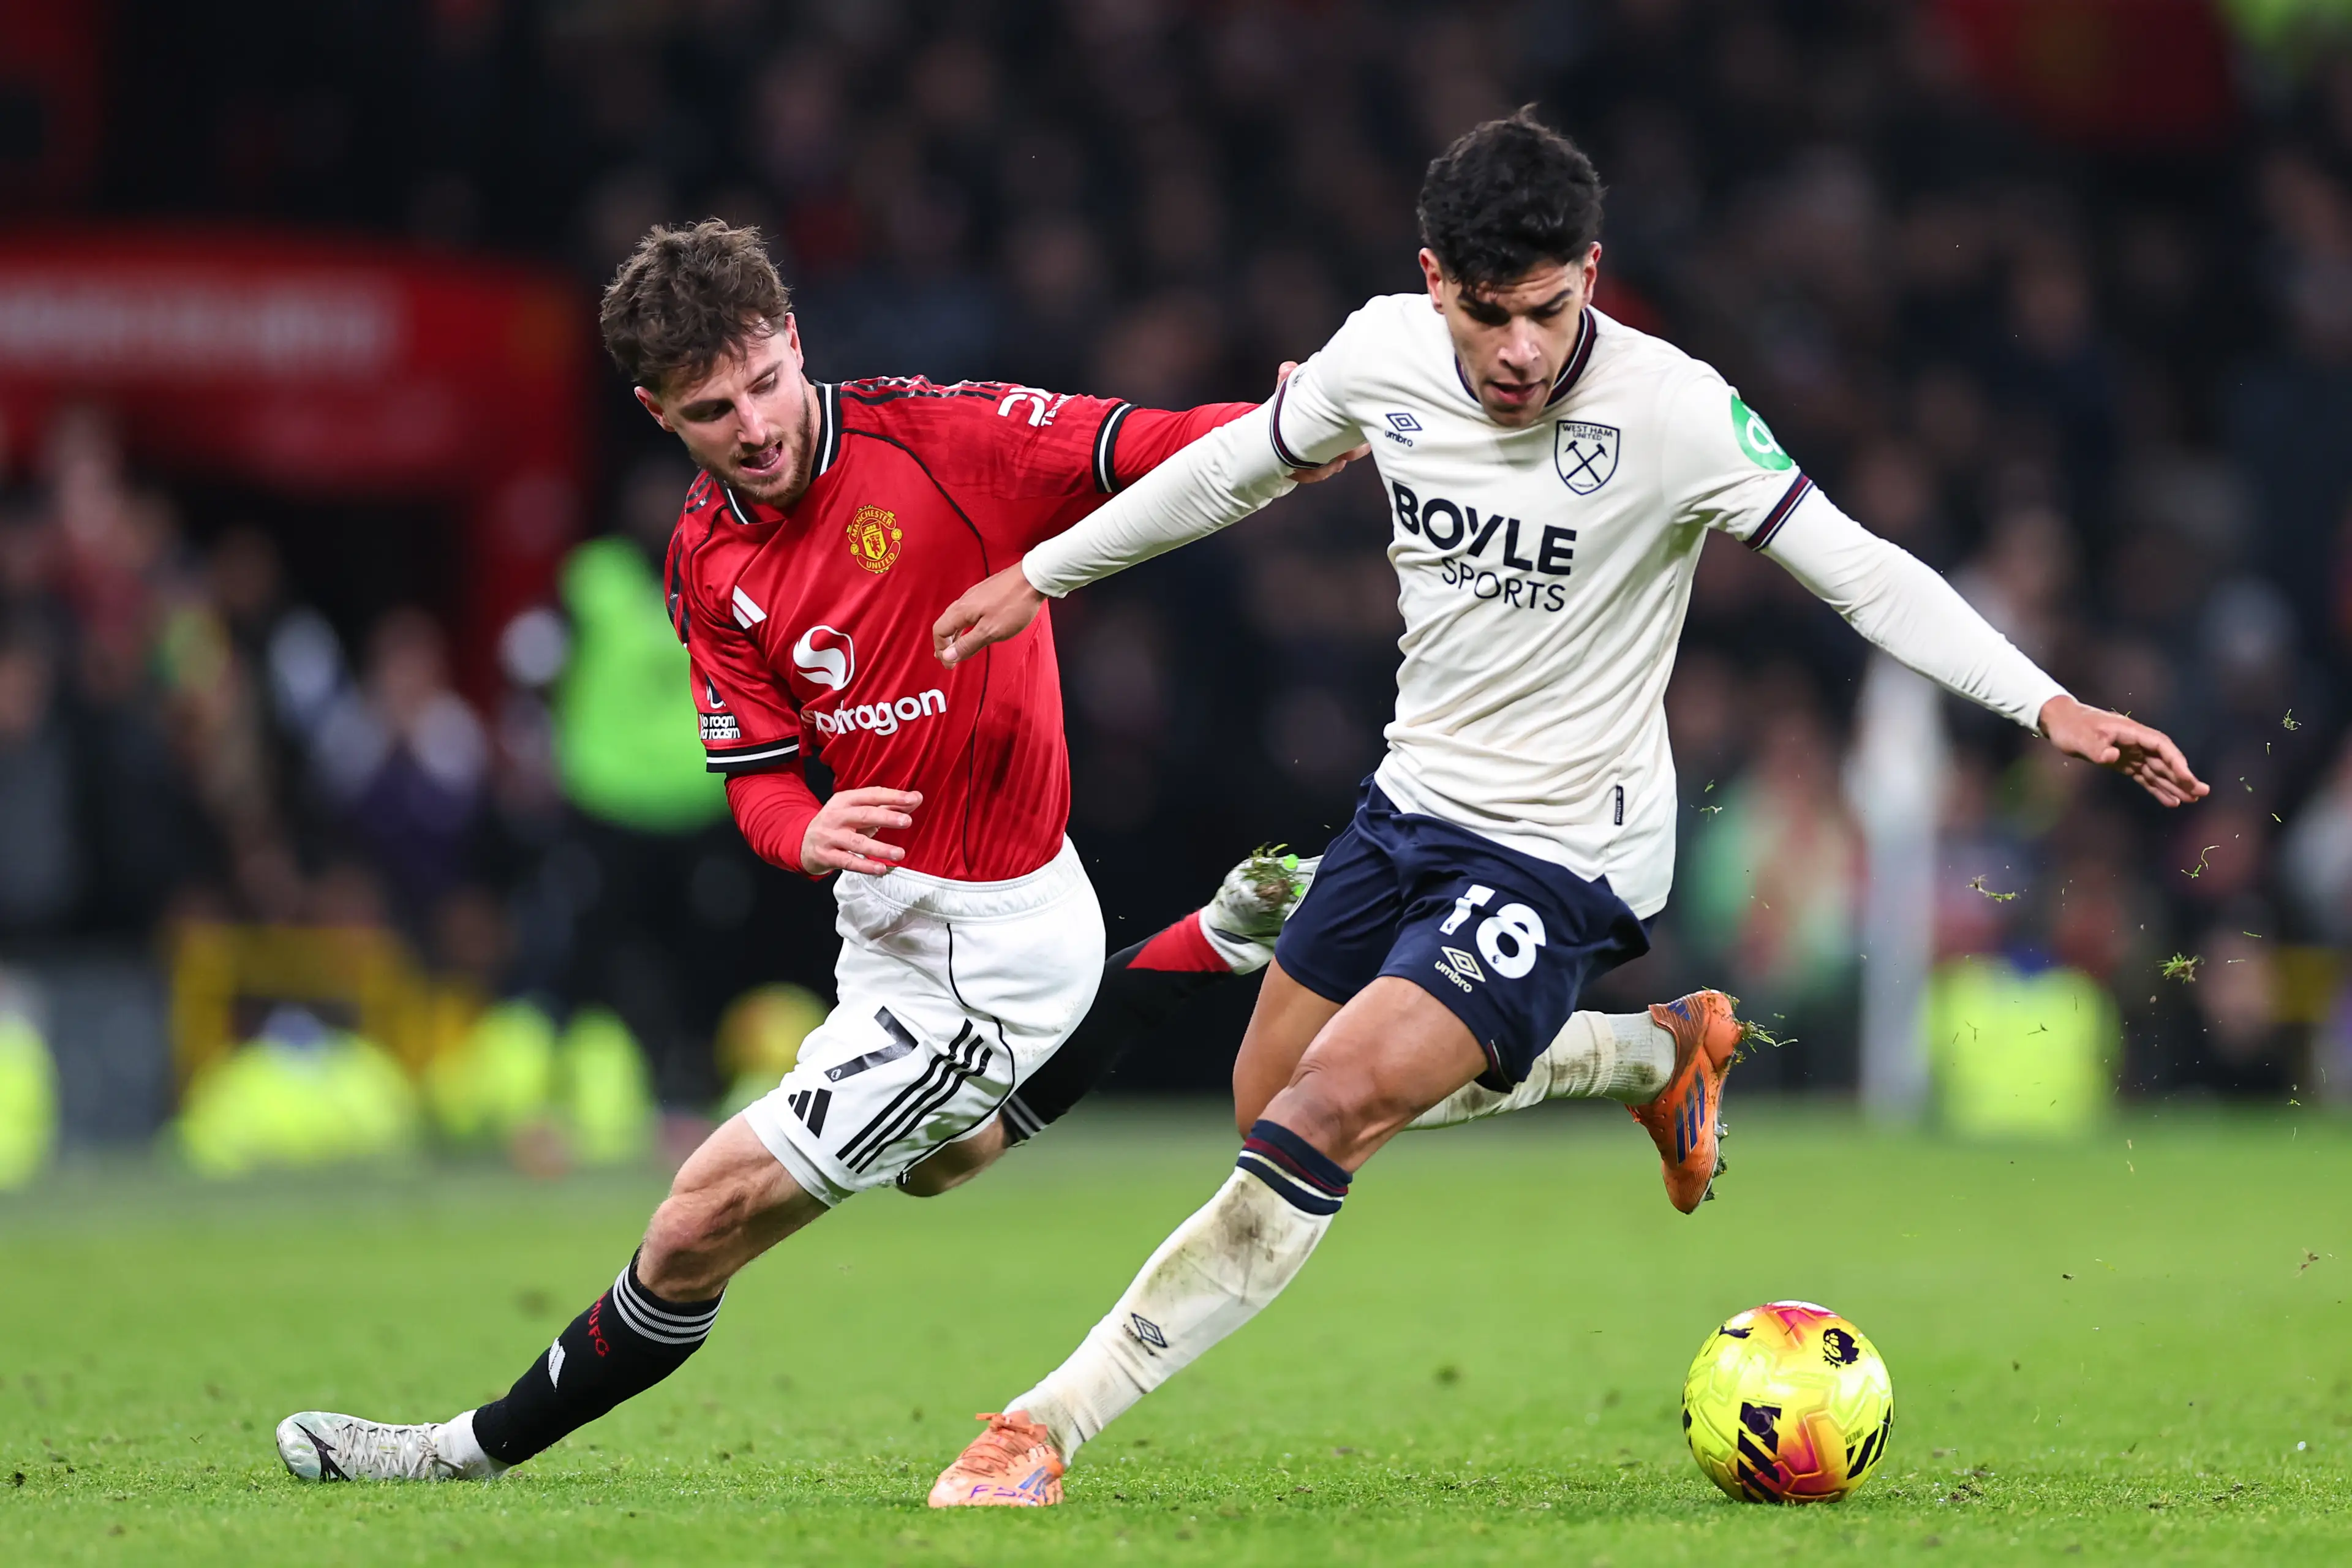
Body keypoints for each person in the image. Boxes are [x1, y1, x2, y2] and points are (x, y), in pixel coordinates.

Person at [924, 111, 2209, 1506]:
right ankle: (1652, 1056)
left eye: (1548, 310)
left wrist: (2046, 704)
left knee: (1329, 1108)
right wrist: (1043, 574)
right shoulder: (1380, 355)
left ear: (1590, 272)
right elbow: (1230, 469)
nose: (1521, 350)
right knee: (1268, 1105)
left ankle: (1043, 1425)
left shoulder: (1674, 409)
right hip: (1410, 804)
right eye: (1489, 314)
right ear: (1434, 282)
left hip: (1567, 847)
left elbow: (1858, 566)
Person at [271, 220, 1352, 1483]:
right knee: (944, 1162)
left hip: (987, 943)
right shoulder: (704, 558)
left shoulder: (944, 439)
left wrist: (1284, 430)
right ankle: (1212, 939)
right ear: (657, 412)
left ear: (794, 340)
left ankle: (458, 1453)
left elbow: (1144, 447)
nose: (752, 427)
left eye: (765, 384)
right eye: (710, 410)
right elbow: (758, 780)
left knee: (698, 1217)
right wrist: (805, 832)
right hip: (886, 929)